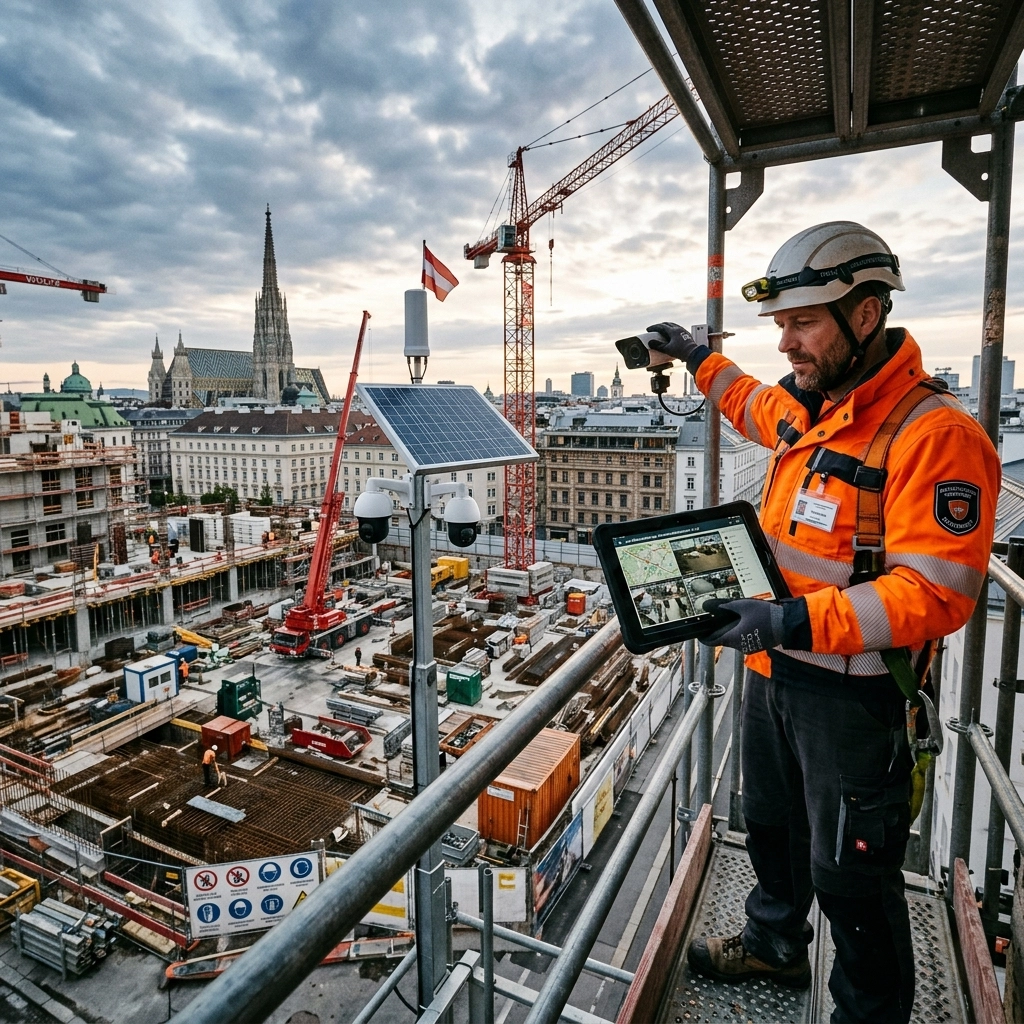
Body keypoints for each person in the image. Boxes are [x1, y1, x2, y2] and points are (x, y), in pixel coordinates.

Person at [647, 221, 999, 1023]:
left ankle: (867, 1014)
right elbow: (745, 400)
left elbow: (936, 593)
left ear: (865, 315)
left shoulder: (934, 435)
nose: (788, 347)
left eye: (802, 325)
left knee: (852, 878)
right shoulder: (814, 412)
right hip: (776, 672)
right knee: (769, 827)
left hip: (854, 700)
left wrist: (788, 622)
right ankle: (775, 944)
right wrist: (695, 353)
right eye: (781, 327)